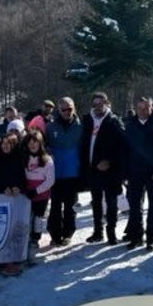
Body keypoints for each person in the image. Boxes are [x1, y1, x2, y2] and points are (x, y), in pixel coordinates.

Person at [80, 92, 126, 245]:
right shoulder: (87, 120)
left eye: (101, 104)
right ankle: (98, 232)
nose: (98, 107)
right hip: (92, 169)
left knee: (111, 202)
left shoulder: (114, 121)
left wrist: (109, 161)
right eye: (95, 104)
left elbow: (122, 146)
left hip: (110, 170)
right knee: (96, 202)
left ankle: (111, 232)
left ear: (107, 103)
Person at [122, 97, 153, 251]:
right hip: (134, 173)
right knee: (135, 206)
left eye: (145, 107)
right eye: (139, 108)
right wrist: (125, 174)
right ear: (136, 108)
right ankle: (136, 236)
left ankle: (151, 237)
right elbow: (125, 152)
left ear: (150, 108)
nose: (142, 111)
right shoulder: (129, 126)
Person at [0, 133, 28, 276]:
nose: (6, 146)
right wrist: (2, 188)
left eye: (9, 144)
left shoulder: (19, 159)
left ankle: (10, 260)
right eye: (3, 144)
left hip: (15, 201)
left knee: (12, 230)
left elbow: (24, 179)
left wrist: (18, 187)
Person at [45, 97, 83, 246]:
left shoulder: (81, 126)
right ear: (58, 110)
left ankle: (68, 233)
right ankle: (55, 235)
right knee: (55, 206)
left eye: (70, 109)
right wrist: (48, 152)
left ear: (74, 108)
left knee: (70, 206)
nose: (67, 112)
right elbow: (44, 145)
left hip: (72, 173)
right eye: (64, 109)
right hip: (55, 173)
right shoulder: (50, 127)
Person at [23, 131, 55, 258]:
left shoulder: (47, 160)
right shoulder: (24, 158)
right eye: (30, 142)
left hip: (41, 194)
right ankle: (26, 237)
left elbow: (50, 180)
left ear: (40, 143)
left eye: (35, 142)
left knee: (39, 217)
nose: (32, 145)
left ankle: (36, 238)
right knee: (27, 216)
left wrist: (36, 191)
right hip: (27, 194)